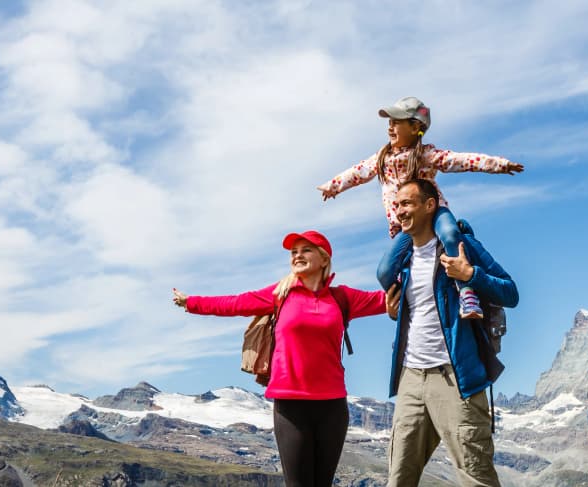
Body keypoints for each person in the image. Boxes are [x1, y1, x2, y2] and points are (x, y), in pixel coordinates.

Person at [172, 230, 387, 487]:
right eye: (293, 252)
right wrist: (192, 302)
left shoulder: (342, 298)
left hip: (332, 406)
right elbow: (235, 303)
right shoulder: (280, 294)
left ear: (324, 258)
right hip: (290, 405)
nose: (297, 256)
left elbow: (388, 299)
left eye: (305, 250)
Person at [317, 96, 523, 320]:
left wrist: (499, 164)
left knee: (451, 233)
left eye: (396, 122)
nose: (390, 127)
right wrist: (333, 186)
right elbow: (357, 172)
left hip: (435, 214)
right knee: (384, 271)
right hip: (405, 225)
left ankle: (466, 291)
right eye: (390, 122)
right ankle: (403, 297)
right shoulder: (382, 158)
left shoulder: (425, 154)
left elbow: (461, 160)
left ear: (416, 127)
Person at [380, 179, 519, 487]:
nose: (400, 210)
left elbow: (511, 292)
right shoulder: (403, 261)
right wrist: (396, 312)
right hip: (411, 378)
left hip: (456, 379)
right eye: (397, 204)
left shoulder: (460, 247)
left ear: (430, 205)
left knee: (475, 477)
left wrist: (470, 274)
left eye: (407, 203)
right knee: (398, 479)